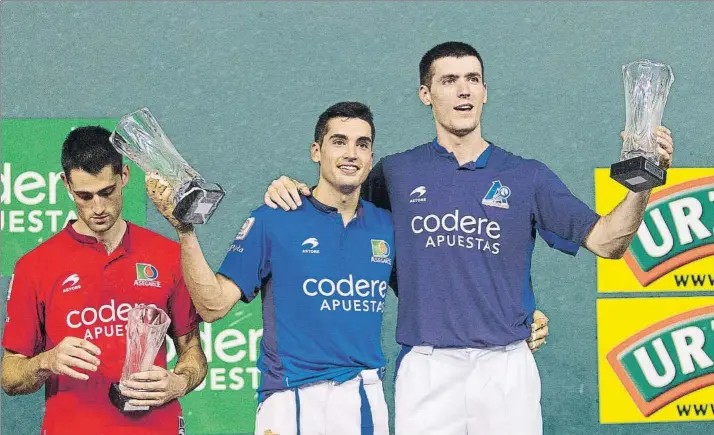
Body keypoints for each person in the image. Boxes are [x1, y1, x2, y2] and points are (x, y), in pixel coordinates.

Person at [263, 42, 674, 435]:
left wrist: (644, 180)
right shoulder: (394, 173)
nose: (463, 89)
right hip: (426, 369)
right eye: (449, 80)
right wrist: (291, 189)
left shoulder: (526, 175)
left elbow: (608, 242)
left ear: (484, 92)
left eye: (473, 79)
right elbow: (337, 210)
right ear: (425, 94)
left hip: (507, 367)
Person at [146, 102, 394, 435]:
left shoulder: (387, 226)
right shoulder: (274, 218)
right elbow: (212, 305)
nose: (351, 153)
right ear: (316, 151)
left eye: (362, 144)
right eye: (339, 141)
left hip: (365, 397)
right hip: (292, 398)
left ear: (371, 156)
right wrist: (184, 231)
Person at [1, 126, 207, 435]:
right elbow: (10, 375)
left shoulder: (167, 255)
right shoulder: (35, 266)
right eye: (85, 196)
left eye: (106, 192)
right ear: (66, 185)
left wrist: (178, 383)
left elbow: (192, 351)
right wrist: (47, 361)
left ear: (124, 175)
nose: (98, 208)